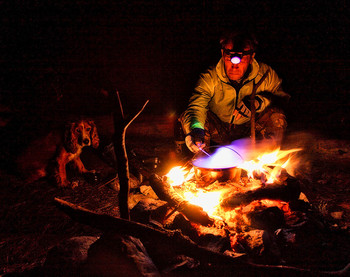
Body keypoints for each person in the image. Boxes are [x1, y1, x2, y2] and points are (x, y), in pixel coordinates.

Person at [179, 30, 291, 153]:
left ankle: (266, 158)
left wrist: (259, 102)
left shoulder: (266, 75)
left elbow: (283, 100)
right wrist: (196, 130)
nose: (234, 65)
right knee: (190, 118)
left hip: (249, 131)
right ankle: (202, 158)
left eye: (241, 57)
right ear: (222, 53)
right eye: (229, 56)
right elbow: (197, 106)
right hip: (219, 129)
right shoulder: (209, 77)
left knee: (276, 115)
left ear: (251, 57)